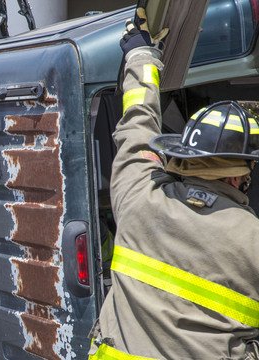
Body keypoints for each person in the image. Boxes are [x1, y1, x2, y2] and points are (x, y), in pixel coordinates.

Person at [89, 8, 259, 359]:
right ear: (238, 175)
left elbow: (137, 122)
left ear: (185, 157)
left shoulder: (138, 196)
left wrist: (140, 54)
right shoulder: (253, 240)